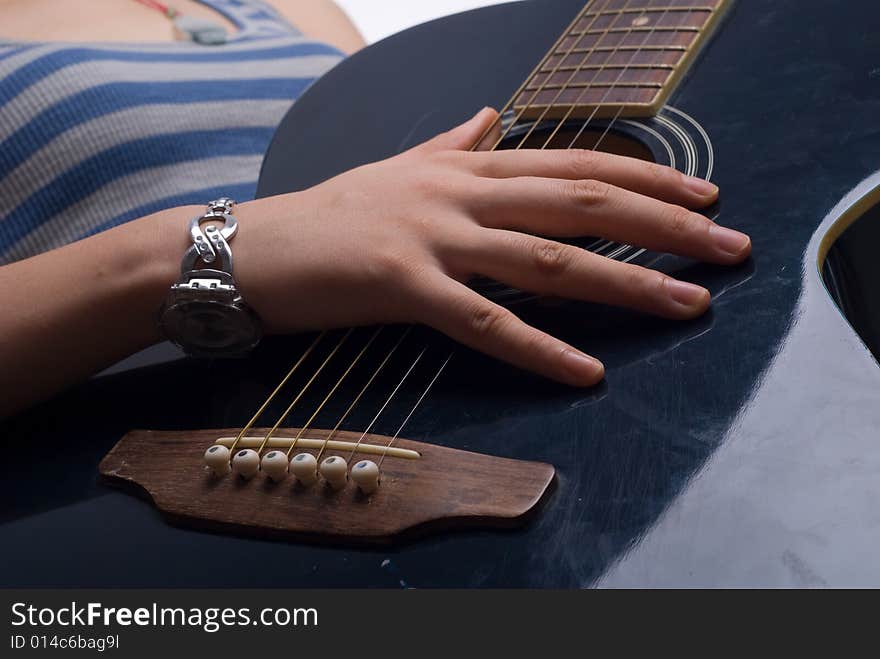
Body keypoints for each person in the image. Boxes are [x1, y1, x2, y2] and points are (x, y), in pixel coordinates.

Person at [0, 0, 751, 418]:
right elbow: (316, 217)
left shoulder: (283, 9)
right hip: (148, 454)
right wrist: (192, 253)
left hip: (420, 394)